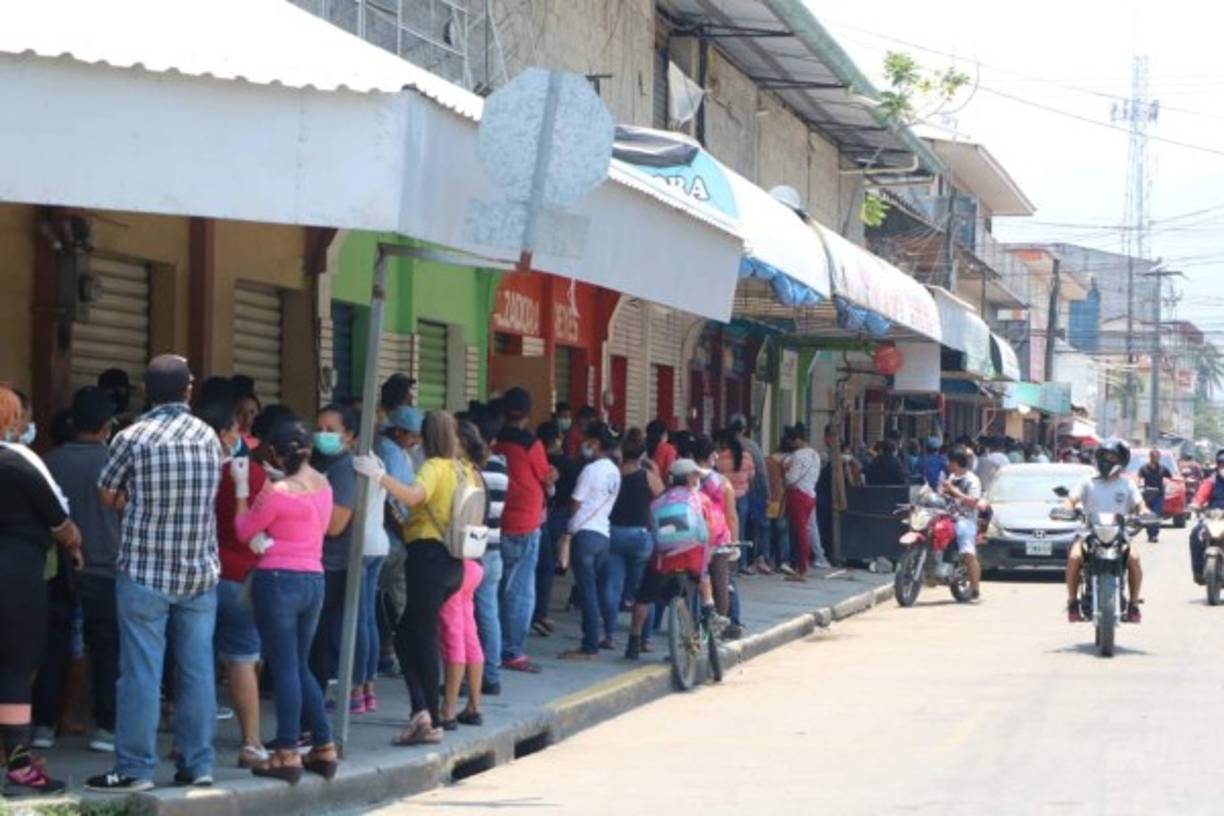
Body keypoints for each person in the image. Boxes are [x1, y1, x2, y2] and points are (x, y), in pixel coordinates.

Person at [88, 355, 222, 793]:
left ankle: (134, 769)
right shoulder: (208, 437)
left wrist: (137, 504)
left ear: (147, 391)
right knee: (197, 670)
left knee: (141, 672)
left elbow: (107, 493)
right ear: (188, 390)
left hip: (144, 570)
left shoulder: (132, 437)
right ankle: (198, 763)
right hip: (199, 571)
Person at [353, 411, 472, 745]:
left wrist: (380, 477)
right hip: (456, 562)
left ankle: (430, 719)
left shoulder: (434, 467)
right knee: (408, 636)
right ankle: (421, 710)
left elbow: (413, 497)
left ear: (425, 436)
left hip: (429, 558)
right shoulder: (465, 469)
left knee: (423, 636)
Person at [233, 415, 338, 784]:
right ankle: (324, 745)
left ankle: (286, 752)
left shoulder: (276, 493)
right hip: (314, 579)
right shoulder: (324, 485)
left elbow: (245, 530)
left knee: (284, 667)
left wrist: (243, 489)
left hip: (278, 581)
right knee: (299, 663)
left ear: (275, 455)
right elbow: (318, 525)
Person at [0, 384, 82, 794]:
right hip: (16, 575)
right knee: (15, 667)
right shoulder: (18, 462)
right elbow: (59, 518)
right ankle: (18, 764)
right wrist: (75, 543)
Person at [44, 387, 121, 756]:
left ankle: (44, 723)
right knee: (106, 651)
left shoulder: (50, 462)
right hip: (106, 570)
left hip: (59, 568)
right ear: (108, 425)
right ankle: (106, 727)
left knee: (53, 646)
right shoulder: (114, 463)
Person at [194, 398, 269, 769]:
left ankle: (190, 743)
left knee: (197, 662)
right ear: (229, 434)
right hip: (242, 577)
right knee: (242, 659)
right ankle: (252, 743)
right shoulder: (254, 475)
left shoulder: (195, 473)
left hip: (200, 576)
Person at [624, 459, 724, 660]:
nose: (697, 479)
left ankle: (633, 643)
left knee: (643, 599)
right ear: (688, 478)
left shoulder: (658, 502)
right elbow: (710, 533)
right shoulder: (701, 500)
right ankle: (709, 610)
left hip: (663, 562)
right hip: (692, 561)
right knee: (703, 577)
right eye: (695, 475)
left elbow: (653, 531)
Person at [492, 388, 556, 674]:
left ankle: (492, 647)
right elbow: (546, 477)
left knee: (494, 589)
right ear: (528, 413)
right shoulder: (531, 444)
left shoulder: (494, 440)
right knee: (519, 592)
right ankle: (512, 651)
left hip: (496, 520)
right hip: (526, 523)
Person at [437, 420, 488, 728]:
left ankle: (448, 709)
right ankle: (474, 706)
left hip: (454, 560)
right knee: (470, 635)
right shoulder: (477, 475)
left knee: (453, 637)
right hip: (474, 560)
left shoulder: (455, 474)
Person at [1065, 438, 1147, 623]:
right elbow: (1071, 499)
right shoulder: (1087, 481)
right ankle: (1072, 602)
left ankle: (1133, 604)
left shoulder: (1127, 484)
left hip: (1120, 534)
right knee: (1074, 558)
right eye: (1103, 456)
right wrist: (1066, 508)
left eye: (1111, 457)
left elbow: (1141, 505)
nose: (1106, 461)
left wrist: (1145, 514)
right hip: (1089, 532)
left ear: (1121, 461)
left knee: (1134, 559)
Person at [561, 423, 622, 658]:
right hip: (603, 536)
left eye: (588, 441)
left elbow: (576, 502)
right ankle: (600, 636)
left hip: (584, 535)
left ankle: (590, 644)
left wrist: (568, 521)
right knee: (595, 589)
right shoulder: (614, 471)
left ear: (596, 444)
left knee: (586, 592)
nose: (584, 445)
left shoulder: (591, 470)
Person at [607, 429, 665, 630]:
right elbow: (663, 500)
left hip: (614, 533)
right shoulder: (648, 476)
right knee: (643, 589)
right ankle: (645, 637)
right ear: (642, 455)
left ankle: (609, 634)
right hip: (641, 535)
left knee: (613, 586)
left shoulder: (613, 474)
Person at [533, 420, 578, 639]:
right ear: (555, 440)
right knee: (546, 565)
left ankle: (535, 611)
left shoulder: (535, 457)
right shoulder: (565, 463)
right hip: (553, 513)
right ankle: (539, 612)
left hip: (539, 514)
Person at [473, 408, 507, 696]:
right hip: (495, 546)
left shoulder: (472, 470)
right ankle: (492, 674)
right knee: (489, 613)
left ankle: (465, 677)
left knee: (466, 617)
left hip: (474, 548)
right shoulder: (501, 467)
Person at [940, 447, 983, 602]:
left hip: (965, 519)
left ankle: (975, 588)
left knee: (967, 551)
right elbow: (941, 494)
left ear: (955, 463)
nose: (947, 464)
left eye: (949, 461)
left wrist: (953, 490)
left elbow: (973, 501)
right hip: (946, 516)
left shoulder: (972, 480)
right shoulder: (951, 477)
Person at [728, 415, 769, 575]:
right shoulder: (751, 446)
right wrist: (766, 495)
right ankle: (753, 560)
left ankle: (736, 563)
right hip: (750, 494)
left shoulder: (723, 448)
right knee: (753, 527)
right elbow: (760, 473)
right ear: (745, 429)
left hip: (728, 496)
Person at [715, 427, 756, 576]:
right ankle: (742, 564)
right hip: (743, 496)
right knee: (742, 530)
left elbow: (716, 477)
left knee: (726, 531)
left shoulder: (720, 458)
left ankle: (729, 563)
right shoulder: (747, 457)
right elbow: (752, 476)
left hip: (726, 497)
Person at [782, 427, 823, 577]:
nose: (791, 444)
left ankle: (801, 567)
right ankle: (802, 565)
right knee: (805, 530)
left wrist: (785, 471)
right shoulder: (815, 455)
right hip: (811, 494)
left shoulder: (797, 456)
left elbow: (791, 478)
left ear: (797, 440)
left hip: (798, 495)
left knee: (800, 532)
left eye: (792, 441)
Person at [1188, 449, 1224, 583]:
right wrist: (1195, 504)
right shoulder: (1211, 481)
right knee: (1196, 532)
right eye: (1221, 464)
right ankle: (1198, 571)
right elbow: (1200, 496)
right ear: (1217, 465)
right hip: (1214, 518)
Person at [1137, 448, 1172, 543]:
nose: (1155, 458)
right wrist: (1137, 487)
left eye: (1157, 456)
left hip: (1159, 495)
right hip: (1148, 495)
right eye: (1153, 456)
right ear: (1150, 457)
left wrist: (1168, 485)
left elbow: (1170, 477)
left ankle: (1154, 535)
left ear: (1159, 458)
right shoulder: (1144, 468)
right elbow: (1138, 478)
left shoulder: (1163, 468)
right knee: (1148, 515)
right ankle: (1150, 534)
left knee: (1156, 514)